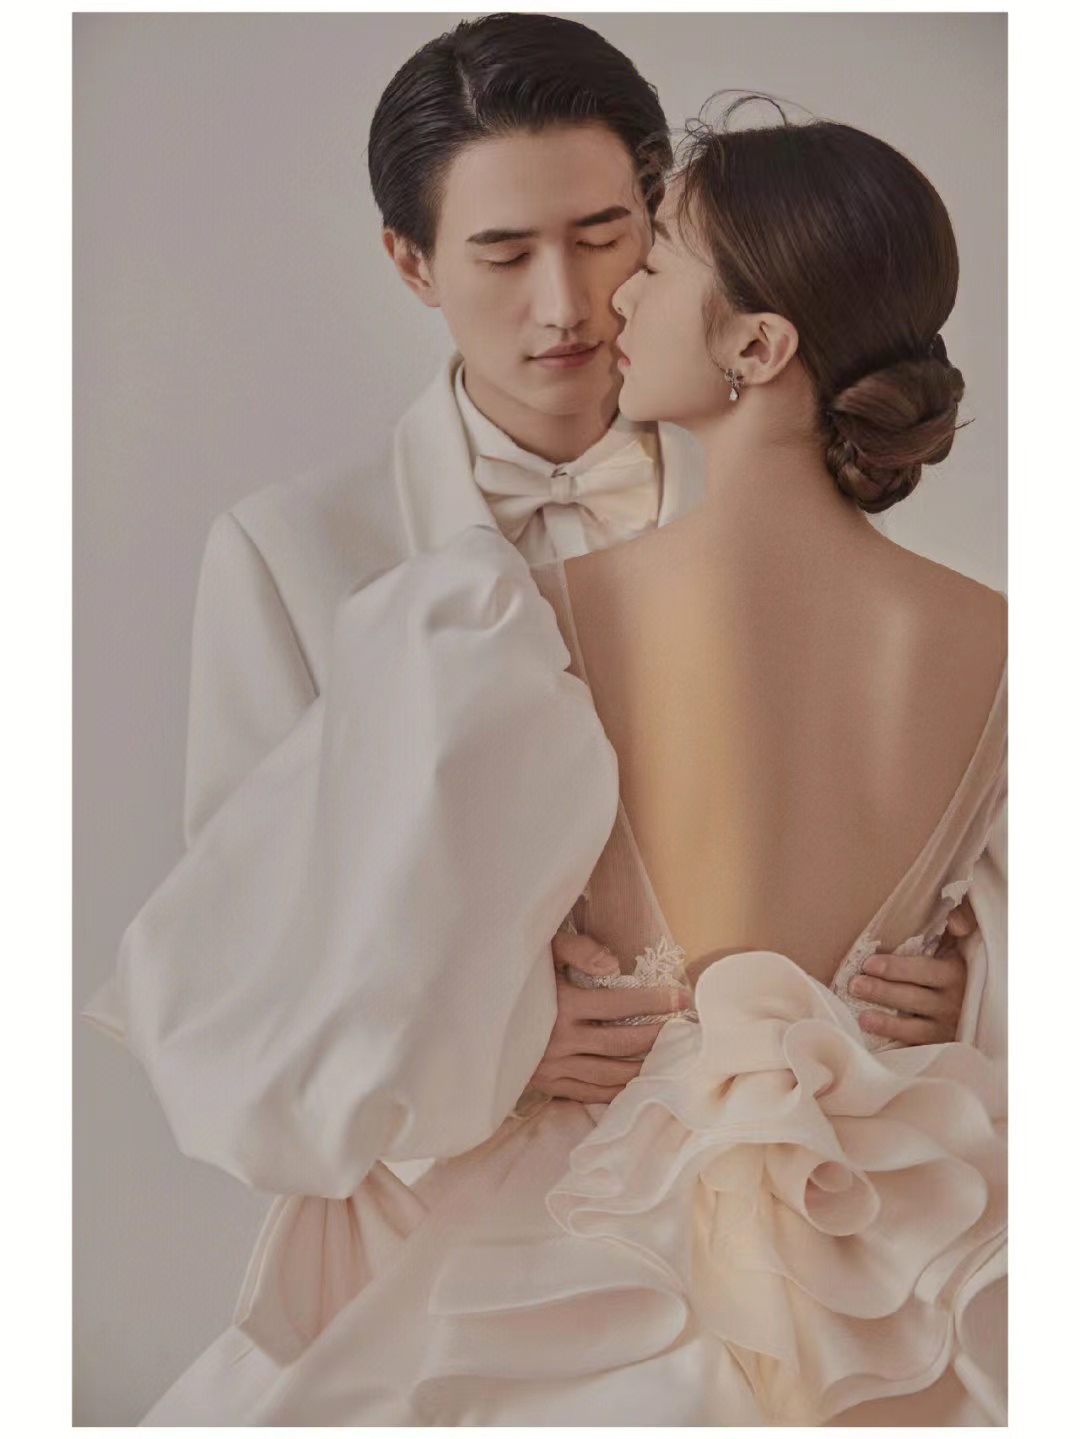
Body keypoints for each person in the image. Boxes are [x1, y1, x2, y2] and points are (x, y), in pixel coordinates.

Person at [83, 15, 993, 1424]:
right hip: (496, 1227)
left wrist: (963, 992)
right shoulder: (296, 551)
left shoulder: (742, 532)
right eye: (504, 254)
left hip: (845, 1211)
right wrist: (493, 1046)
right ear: (414, 263)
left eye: (614, 240)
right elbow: (279, 962)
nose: (573, 306)